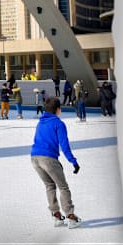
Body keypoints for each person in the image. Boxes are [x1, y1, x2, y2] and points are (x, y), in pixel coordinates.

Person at [30, 97, 82, 228]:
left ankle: (57, 216)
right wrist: (73, 161)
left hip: (35, 158)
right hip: (48, 159)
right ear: (58, 109)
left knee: (50, 186)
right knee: (63, 187)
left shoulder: (40, 122)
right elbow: (64, 146)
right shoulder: (58, 123)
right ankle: (70, 216)